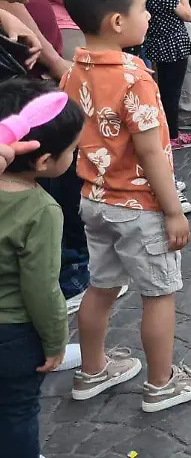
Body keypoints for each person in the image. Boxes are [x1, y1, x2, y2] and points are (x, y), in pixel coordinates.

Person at [58, 0, 191, 413]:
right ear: (116, 22)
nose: (148, 15)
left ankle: (92, 371)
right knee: (158, 294)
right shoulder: (135, 78)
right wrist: (172, 211)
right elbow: (150, 153)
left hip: (94, 199)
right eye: (142, 9)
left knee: (102, 286)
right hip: (140, 206)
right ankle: (162, 383)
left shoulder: (74, 70)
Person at [0, 77, 84, 458]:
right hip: (13, 333)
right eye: (72, 151)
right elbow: (42, 288)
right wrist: (55, 341)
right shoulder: (42, 211)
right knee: (18, 408)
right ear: (45, 161)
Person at [138, 0, 191, 151]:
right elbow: (188, 15)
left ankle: (168, 131)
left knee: (162, 90)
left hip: (155, 46)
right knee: (172, 93)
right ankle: (172, 135)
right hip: (175, 48)